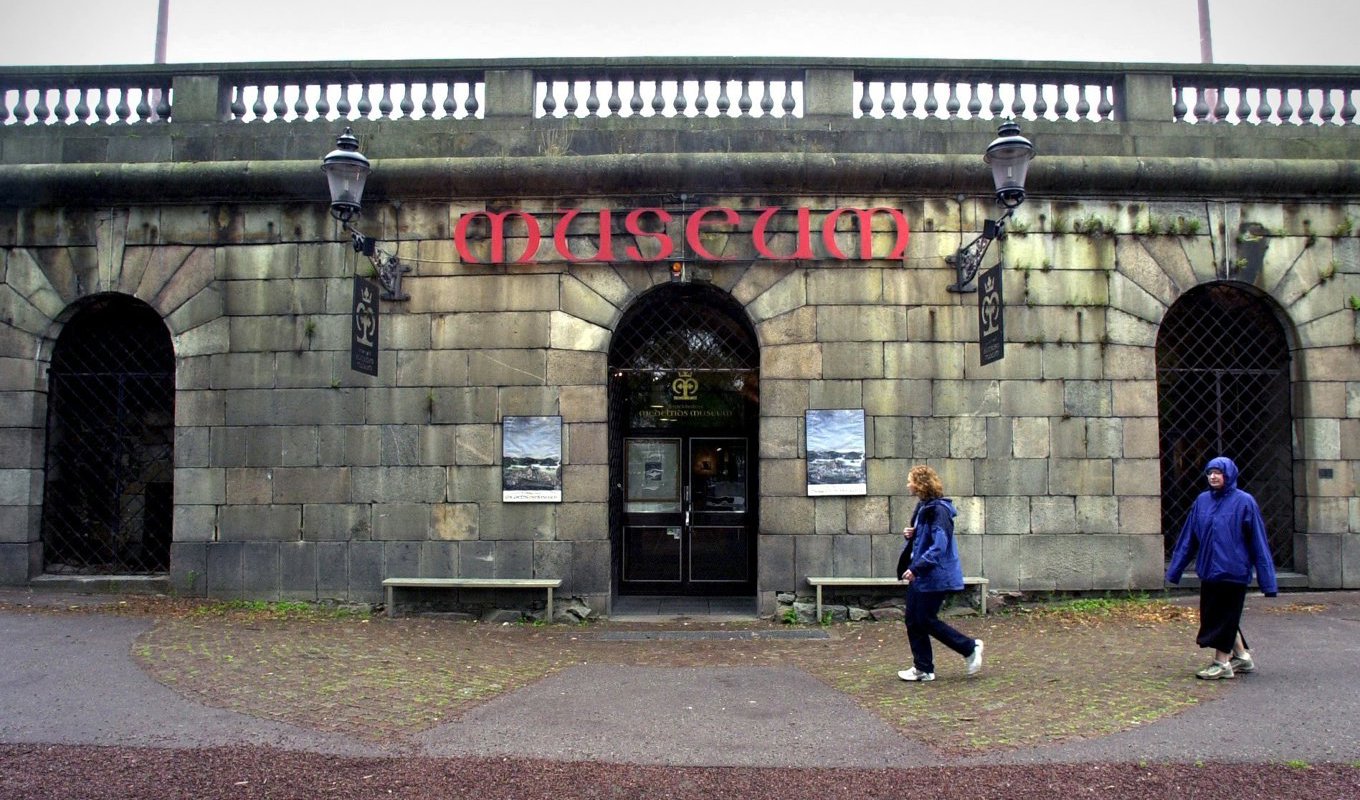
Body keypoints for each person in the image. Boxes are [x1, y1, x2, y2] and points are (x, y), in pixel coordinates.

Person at [1165, 456, 1278, 680]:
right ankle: (1242, 657)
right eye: (1210, 472)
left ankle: (1222, 662)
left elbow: (1258, 541)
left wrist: (1268, 581)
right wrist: (1175, 569)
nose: (1213, 476)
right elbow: (1189, 537)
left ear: (1229, 474)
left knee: (1226, 615)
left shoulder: (1245, 502)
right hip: (1209, 570)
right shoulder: (1202, 501)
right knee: (1215, 616)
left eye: (1218, 472)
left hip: (1233, 570)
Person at [896, 465, 983, 682]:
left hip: (934, 574)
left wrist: (916, 568)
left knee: (925, 619)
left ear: (920, 484)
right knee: (913, 620)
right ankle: (923, 668)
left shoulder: (939, 510)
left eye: (910, 480)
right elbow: (927, 538)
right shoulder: (924, 507)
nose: (908, 484)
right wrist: (913, 534)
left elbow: (939, 545)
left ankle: (970, 647)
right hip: (922, 573)